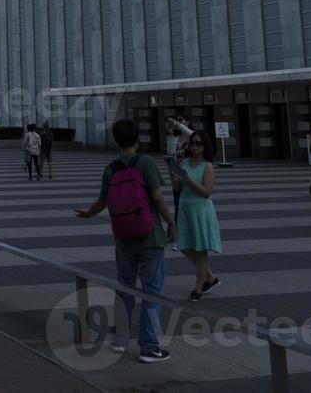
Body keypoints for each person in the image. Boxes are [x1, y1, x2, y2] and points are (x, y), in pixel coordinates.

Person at [74, 118, 178, 363]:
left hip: (123, 238)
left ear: (116, 140)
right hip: (149, 236)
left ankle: (120, 339)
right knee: (152, 291)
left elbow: (102, 201)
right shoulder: (145, 163)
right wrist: (170, 222)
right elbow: (157, 196)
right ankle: (149, 346)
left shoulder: (111, 168)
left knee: (124, 288)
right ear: (138, 139)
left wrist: (88, 213)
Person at [175, 132, 222, 300]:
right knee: (185, 246)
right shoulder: (184, 162)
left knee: (201, 249)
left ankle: (198, 288)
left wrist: (188, 179)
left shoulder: (207, 166)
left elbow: (207, 192)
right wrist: (174, 174)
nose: (194, 146)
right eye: (192, 143)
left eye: (198, 143)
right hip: (185, 206)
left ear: (205, 146)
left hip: (200, 208)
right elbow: (177, 186)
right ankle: (210, 277)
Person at [165, 117, 193, 218]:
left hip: (190, 175)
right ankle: (179, 228)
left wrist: (178, 124)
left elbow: (191, 134)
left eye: (181, 120)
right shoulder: (175, 138)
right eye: (178, 120)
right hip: (177, 176)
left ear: (187, 121)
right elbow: (171, 154)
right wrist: (171, 134)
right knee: (178, 205)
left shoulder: (193, 138)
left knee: (190, 206)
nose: (179, 122)